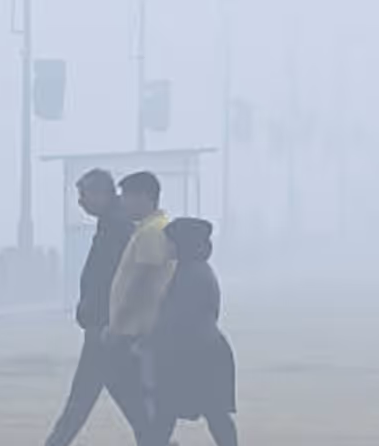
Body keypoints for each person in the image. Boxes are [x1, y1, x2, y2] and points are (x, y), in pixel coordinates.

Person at [44, 169, 150, 446]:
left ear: (103, 193)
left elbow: (116, 281)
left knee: (80, 401)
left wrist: (103, 318)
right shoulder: (112, 223)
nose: (80, 202)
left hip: (105, 329)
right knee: (130, 399)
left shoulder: (116, 227)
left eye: (84, 195)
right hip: (108, 327)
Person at [145, 218, 238, 446]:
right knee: (210, 415)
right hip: (202, 352)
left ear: (183, 244)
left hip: (196, 355)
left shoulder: (191, 275)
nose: (166, 247)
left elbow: (176, 318)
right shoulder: (194, 271)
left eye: (170, 242)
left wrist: (149, 339)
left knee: (169, 414)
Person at [106, 171, 176, 441]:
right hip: (138, 326)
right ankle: (152, 437)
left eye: (126, 197)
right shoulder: (152, 228)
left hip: (136, 328)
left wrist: (117, 324)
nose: (122, 203)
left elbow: (141, 281)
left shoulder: (151, 232)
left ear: (144, 197)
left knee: (128, 386)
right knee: (138, 391)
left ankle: (154, 438)